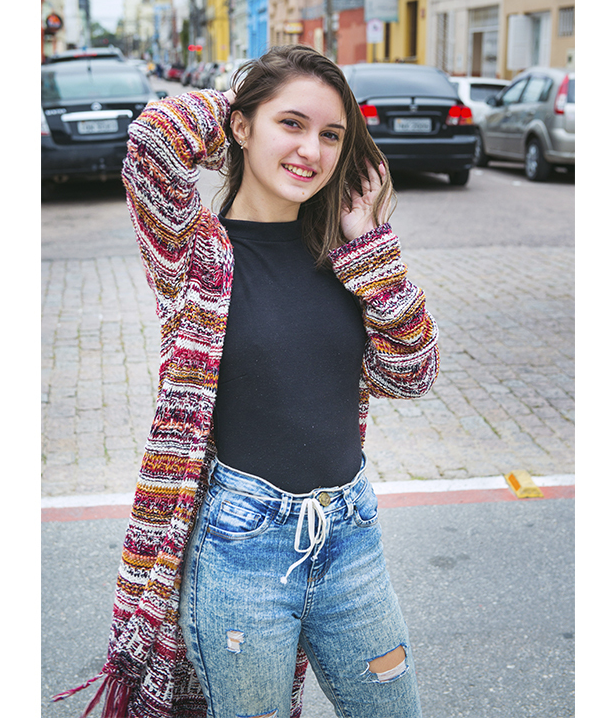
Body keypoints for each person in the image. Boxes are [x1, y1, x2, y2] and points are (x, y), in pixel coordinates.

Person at [62, 45, 439, 717]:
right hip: (242, 550)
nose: (311, 151)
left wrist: (370, 246)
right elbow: (153, 142)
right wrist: (242, 104)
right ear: (240, 128)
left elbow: (412, 373)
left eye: (332, 135)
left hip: (350, 533)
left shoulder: (345, 255)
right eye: (290, 124)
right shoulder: (196, 253)